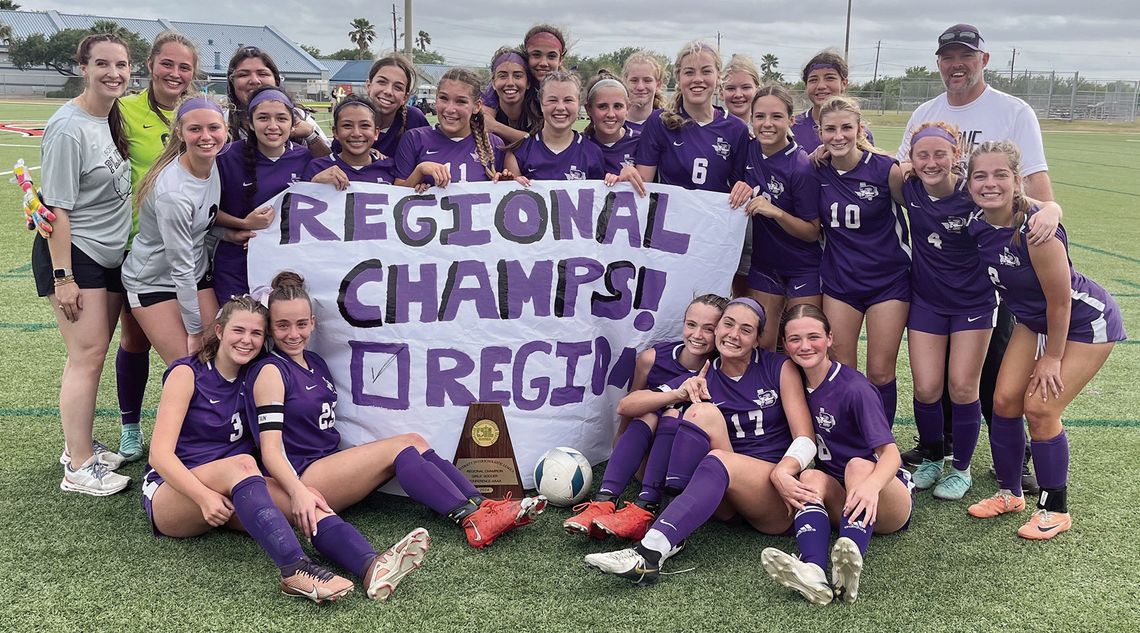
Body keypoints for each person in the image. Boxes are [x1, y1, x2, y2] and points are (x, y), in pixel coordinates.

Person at [143, 296, 428, 603]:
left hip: (236, 485)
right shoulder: (188, 373)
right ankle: (295, 571)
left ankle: (371, 566)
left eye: (256, 333)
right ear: (220, 330)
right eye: (239, 330)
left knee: (305, 499)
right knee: (241, 464)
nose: (247, 340)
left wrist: (298, 489)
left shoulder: (256, 375)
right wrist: (204, 496)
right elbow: (159, 456)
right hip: (173, 494)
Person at [249, 272, 547, 549]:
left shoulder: (315, 363)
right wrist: (297, 493)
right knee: (400, 450)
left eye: (301, 324)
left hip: (326, 465)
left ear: (313, 322)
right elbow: (271, 451)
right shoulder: (272, 371)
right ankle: (472, 520)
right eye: (282, 325)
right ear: (270, 328)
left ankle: (483, 506)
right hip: (302, 477)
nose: (293, 334)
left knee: (414, 440)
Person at [896, 24, 1062, 494]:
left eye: (965, 56)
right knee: (934, 383)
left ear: (984, 60)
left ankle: (1012, 457)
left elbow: (1038, 186)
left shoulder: (1013, 110)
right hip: (933, 282)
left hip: (991, 269)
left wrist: (1049, 212)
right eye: (948, 57)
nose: (956, 65)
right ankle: (939, 450)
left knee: (988, 377)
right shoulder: (925, 113)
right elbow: (899, 170)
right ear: (939, 63)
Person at [584, 299, 816, 587]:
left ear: (758, 339)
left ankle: (650, 550)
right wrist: (679, 393)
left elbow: (806, 438)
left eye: (746, 330)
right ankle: (667, 527)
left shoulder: (777, 367)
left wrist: (784, 471)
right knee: (699, 412)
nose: (733, 334)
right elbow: (628, 405)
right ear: (717, 328)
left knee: (714, 444)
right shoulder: (702, 376)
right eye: (728, 324)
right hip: (723, 497)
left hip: (770, 494)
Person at [964, 141, 1124, 539]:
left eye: (1001, 175)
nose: (990, 183)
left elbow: (1060, 303)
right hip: (1033, 320)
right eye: (980, 175)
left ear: (1017, 181)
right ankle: (1010, 493)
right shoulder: (978, 221)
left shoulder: (1035, 232)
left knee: (1039, 408)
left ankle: (1056, 509)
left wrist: (1051, 359)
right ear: (968, 184)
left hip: (1085, 321)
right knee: (1003, 402)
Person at [760, 304, 914, 605]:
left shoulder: (855, 388)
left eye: (813, 336)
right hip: (842, 494)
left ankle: (850, 560)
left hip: (885, 494)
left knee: (857, 465)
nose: (804, 346)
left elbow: (891, 455)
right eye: (794, 339)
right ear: (785, 343)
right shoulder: (794, 384)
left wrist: (870, 486)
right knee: (811, 476)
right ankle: (814, 570)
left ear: (830, 338)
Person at [35, 34, 134, 495]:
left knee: (93, 354)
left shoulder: (107, 116)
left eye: (122, 64)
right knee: (86, 357)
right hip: (76, 257)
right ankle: (77, 465)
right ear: (83, 67)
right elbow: (55, 210)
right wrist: (63, 276)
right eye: (102, 64)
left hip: (108, 255)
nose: (114, 72)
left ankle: (80, 444)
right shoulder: (68, 126)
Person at [564, 294, 727, 538]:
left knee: (673, 414)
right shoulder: (653, 358)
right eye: (691, 325)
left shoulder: (722, 367)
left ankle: (646, 508)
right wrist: (675, 395)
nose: (697, 335)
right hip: (648, 460)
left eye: (709, 329)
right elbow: (628, 406)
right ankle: (605, 500)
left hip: (687, 470)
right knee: (652, 412)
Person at [900, 121, 995, 500]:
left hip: (973, 304)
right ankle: (932, 457)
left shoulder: (974, 193)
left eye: (941, 153)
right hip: (927, 300)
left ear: (957, 156)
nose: (932, 162)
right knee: (926, 387)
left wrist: (1050, 208)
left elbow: (1024, 204)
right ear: (911, 159)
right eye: (923, 155)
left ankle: (961, 468)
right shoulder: (907, 187)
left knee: (961, 386)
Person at [814, 96, 909, 428]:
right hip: (841, 282)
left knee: (881, 370)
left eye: (845, 128)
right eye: (830, 129)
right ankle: (851, 441)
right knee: (842, 367)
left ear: (859, 129)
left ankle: (883, 446)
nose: (838, 136)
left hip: (889, 282)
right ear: (819, 132)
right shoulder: (816, 170)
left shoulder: (886, 170)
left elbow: (924, 210)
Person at [121, 97, 226, 366]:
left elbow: (202, 220)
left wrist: (236, 230)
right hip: (154, 282)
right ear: (179, 132)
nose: (206, 136)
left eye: (214, 128)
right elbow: (180, 268)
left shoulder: (213, 163)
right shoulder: (174, 194)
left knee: (219, 358)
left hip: (195, 275)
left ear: (225, 129)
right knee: (190, 367)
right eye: (195, 129)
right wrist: (193, 331)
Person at [727, 85, 823, 351]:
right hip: (764, 265)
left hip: (803, 267)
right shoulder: (747, 150)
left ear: (791, 120)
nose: (767, 124)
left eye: (776, 117)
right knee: (762, 345)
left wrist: (777, 212)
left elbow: (812, 231)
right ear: (751, 119)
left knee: (803, 344)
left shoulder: (801, 166)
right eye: (760, 117)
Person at [213, 86, 313, 303]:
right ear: (250, 123)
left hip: (286, 268)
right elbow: (206, 212)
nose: (273, 126)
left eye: (281, 118)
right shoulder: (226, 157)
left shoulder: (306, 158)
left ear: (293, 123)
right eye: (263, 118)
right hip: (237, 263)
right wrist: (242, 223)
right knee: (239, 330)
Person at [622, 41, 749, 195]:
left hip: (715, 218)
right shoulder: (659, 121)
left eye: (706, 71)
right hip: (671, 218)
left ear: (719, 77)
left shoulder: (736, 129)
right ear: (678, 78)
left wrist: (744, 190)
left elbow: (739, 190)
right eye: (689, 72)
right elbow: (643, 186)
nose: (697, 79)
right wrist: (629, 175)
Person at [394, 68, 508, 189]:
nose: (450, 109)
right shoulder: (414, 139)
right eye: (443, 98)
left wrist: (507, 182)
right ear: (436, 100)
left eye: (460, 101)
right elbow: (396, 196)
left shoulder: (493, 145)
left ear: (477, 106)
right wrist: (420, 171)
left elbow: (502, 193)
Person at [224, 46, 329, 156]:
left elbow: (330, 166)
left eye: (262, 74)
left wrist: (311, 135)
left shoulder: (300, 117)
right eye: (243, 74)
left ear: (276, 80)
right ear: (232, 83)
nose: (254, 81)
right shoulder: (220, 121)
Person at [506, 71, 604, 183]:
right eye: (552, 100)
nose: (560, 107)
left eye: (568, 100)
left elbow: (598, 198)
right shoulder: (519, 153)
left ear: (579, 105)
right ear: (542, 104)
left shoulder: (593, 152)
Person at [482, 25, 568, 144]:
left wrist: (496, 127)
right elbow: (485, 121)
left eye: (551, 56)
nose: (543, 63)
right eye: (536, 55)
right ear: (527, 56)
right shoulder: (505, 83)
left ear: (561, 59)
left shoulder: (565, 89)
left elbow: (548, 144)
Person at [304, 95, 397, 187]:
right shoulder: (317, 167)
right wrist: (314, 184)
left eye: (365, 125)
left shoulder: (390, 167)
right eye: (347, 125)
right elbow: (301, 199)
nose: (356, 133)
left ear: (376, 133)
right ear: (335, 132)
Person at [791, 50, 873, 154]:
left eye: (829, 78)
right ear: (806, 86)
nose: (821, 86)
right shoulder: (793, 127)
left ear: (844, 83)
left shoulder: (859, 132)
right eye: (813, 80)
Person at [360, 54, 430, 157]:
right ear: (368, 86)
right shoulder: (351, 117)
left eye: (398, 87)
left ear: (405, 98)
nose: (388, 91)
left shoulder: (414, 119)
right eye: (382, 82)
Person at [582, 70, 640, 179]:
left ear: (628, 107)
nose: (611, 114)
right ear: (588, 109)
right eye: (602, 106)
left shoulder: (640, 143)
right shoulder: (579, 145)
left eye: (618, 106)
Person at [486, 46, 542, 139]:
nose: (510, 83)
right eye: (502, 76)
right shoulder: (485, 111)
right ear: (493, 83)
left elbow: (543, 146)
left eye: (517, 76)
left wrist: (495, 127)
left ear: (528, 83)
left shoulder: (540, 109)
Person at [621, 51, 666, 134]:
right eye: (634, 80)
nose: (640, 87)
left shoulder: (667, 125)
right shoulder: (613, 127)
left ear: (658, 85)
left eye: (647, 80)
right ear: (624, 83)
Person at [720, 54, 760, 124]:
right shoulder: (711, 131)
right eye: (731, 88)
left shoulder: (764, 131)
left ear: (757, 91)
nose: (738, 95)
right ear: (721, 93)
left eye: (746, 87)